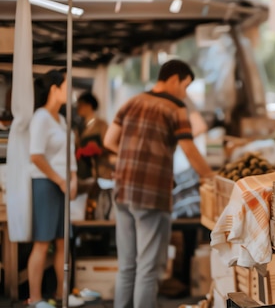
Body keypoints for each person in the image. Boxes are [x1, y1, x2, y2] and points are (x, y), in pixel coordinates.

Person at [104, 59, 215, 308]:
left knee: (127, 265)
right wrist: (210, 176)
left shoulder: (131, 101)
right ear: (174, 79)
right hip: (151, 194)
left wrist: (133, 154)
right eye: (185, 86)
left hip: (122, 191)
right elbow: (189, 148)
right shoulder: (175, 107)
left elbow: (109, 140)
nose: (184, 93)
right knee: (148, 267)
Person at [28, 69, 84, 308]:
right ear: (54, 89)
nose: (70, 92)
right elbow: (36, 156)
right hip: (45, 183)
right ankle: (36, 298)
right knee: (42, 241)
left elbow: (69, 154)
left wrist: (73, 179)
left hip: (62, 185)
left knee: (63, 240)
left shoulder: (61, 120)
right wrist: (60, 180)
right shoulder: (40, 117)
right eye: (67, 86)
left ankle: (63, 294)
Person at [76, 92, 114, 180]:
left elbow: (108, 146)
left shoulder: (102, 125)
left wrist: (96, 149)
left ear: (89, 105)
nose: (78, 107)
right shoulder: (78, 127)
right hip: (82, 172)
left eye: (81, 104)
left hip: (99, 171)